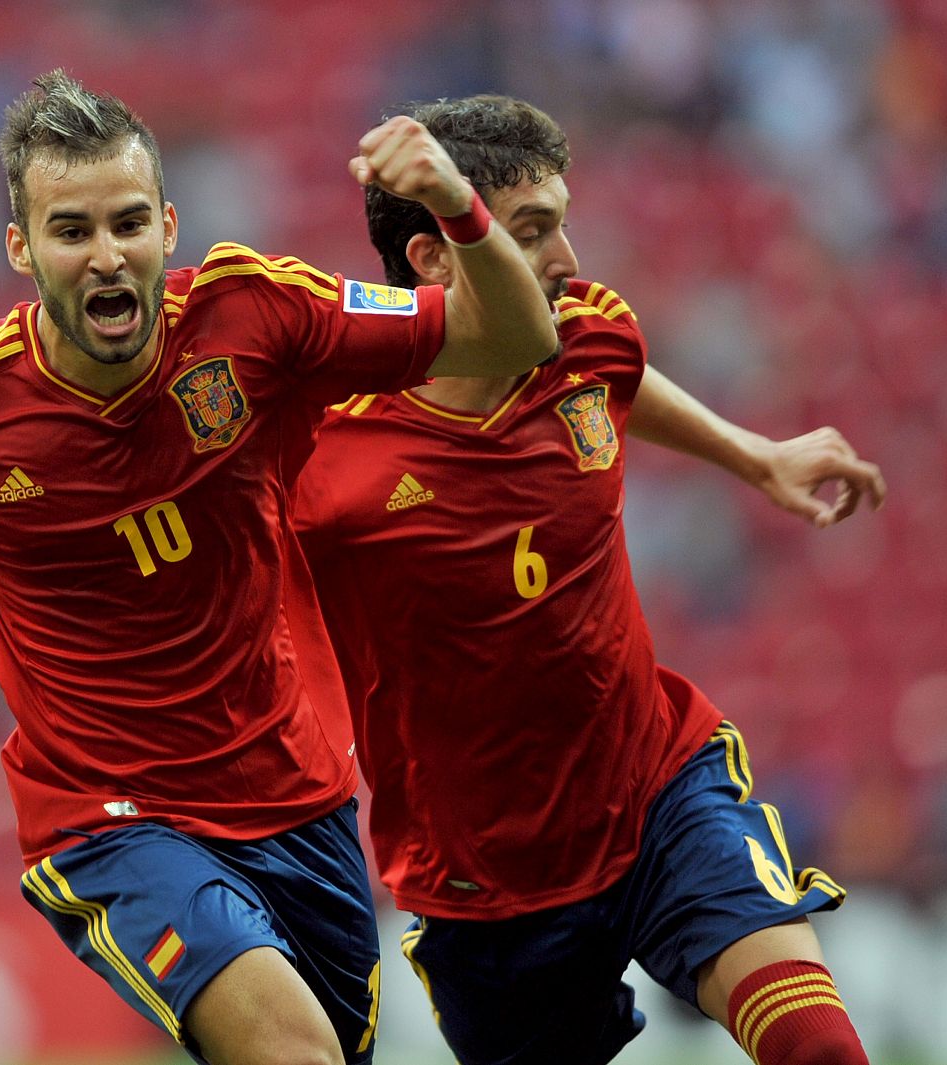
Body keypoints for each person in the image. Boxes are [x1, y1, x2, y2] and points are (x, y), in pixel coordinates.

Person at [0, 71, 556, 1065]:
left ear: (168, 227)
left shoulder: (258, 314)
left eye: (127, 222)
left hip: (298, 796)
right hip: (109, 817)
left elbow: (515, 334)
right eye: (70, 230)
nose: (105, 253)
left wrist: (456, 206)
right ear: (21, 250)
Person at [293, 95, 883, 1065]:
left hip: (657, 791)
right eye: (529, 234)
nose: (567, 260)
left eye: (560, 222)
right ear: (435, 259)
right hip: (485, 881)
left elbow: (616, 375)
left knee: (818, 1049)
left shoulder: (587, 332)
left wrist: (751, 454)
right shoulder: (323, 452)